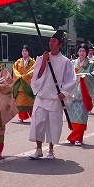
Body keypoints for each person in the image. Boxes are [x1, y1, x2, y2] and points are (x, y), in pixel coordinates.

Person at [28, 30, 74, 160]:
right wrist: (44, 61)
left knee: (52, 124)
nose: (51, 42)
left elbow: (70, 80)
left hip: (54, 97)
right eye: (50, 40)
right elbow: (37, 76)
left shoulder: (65, 61)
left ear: (60, 44)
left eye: (54, 41)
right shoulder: (42, 58)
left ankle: (51, 150)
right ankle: (38, 149)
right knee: (38, 123)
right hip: (42, 96)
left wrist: (64, 92)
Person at [66, 44, 94, 145]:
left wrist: (87, 76)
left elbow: (93, 75)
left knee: (81, 116)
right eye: (80, 51)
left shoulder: (90, 63)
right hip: (73, 91)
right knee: (73, 116)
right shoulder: (72, 63)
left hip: (84, 91)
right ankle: (77, 136)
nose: (82, 53)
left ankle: (77, 138)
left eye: (84, 51)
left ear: (87, 52)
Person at [12, 45, 36, 122]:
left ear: (28, 52)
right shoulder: (18, 62)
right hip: (20, 84)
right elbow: (15, 70)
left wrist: (25, 77)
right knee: (20, 102)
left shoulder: (32, 62)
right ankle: (21, 117)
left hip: (28, 85)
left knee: (30, 101)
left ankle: (33, 117)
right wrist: (20, 76)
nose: (24, 52)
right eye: (23, 51)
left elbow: (33, 70)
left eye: (26, 51)